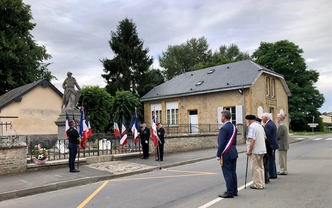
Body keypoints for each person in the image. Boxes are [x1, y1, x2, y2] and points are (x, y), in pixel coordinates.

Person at [216, 110, 238, 198]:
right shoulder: (233, 127)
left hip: (226, 153)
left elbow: (222, 143)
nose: (220, 118)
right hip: (233, 151)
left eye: (221, 116)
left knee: (227, 173)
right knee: (233, 172)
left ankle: (229, 191)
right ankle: (234, 190)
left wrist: (218, 155)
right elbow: (234, 141)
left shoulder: (224, 128)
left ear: (224, 117)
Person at [245, 115, 266, 190]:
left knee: (255, 167)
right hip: (262, 149)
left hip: (255, 150)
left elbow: (252, 140)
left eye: (247, 120)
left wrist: (249, 150)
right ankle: (262, 183)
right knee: (261, 167)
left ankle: (258, 184)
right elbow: (264, 137)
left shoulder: (251, 127)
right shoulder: (260, 126)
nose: (247, 122)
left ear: (249, 121)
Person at [255, 117, 273, 184]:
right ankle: (266, 178)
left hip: (263, 149)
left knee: (262, 165)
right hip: (266, 148)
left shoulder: (261, 129)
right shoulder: (264, 128)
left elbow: (266, 139)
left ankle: (264, 179)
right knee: (264, 164)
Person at [261, 112, 279, 179]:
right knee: (272, 159)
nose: (262, 119)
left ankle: (272, 174)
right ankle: (273, 173)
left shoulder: (268, 125)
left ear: (266, 118)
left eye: (262, 117)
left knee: (270, 159)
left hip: (271, 145)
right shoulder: (272, 123)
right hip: (273, 144)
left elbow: (268, 136)